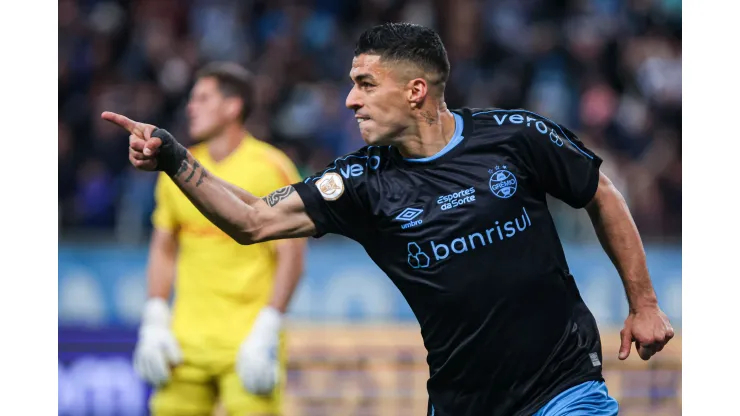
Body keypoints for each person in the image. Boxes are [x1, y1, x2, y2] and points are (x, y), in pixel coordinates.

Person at [105, 23, 674, 416]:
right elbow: (253, 220)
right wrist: (177, 160)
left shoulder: (515, 137)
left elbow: (599, 190)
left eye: (365, 84)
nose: (350, 101)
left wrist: (643, 302)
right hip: (462, 399)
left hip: (565, 382)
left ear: (416, 91)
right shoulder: (360, 183)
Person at [132, 62, 306, 416]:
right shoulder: (177, 168)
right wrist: (154, 317)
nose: (190, 107)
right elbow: (164, 247)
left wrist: (267, 329)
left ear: (233, 106)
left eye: (202, 98)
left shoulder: (271, 166)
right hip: (184, 346)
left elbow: (291, 256)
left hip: (246, 346)